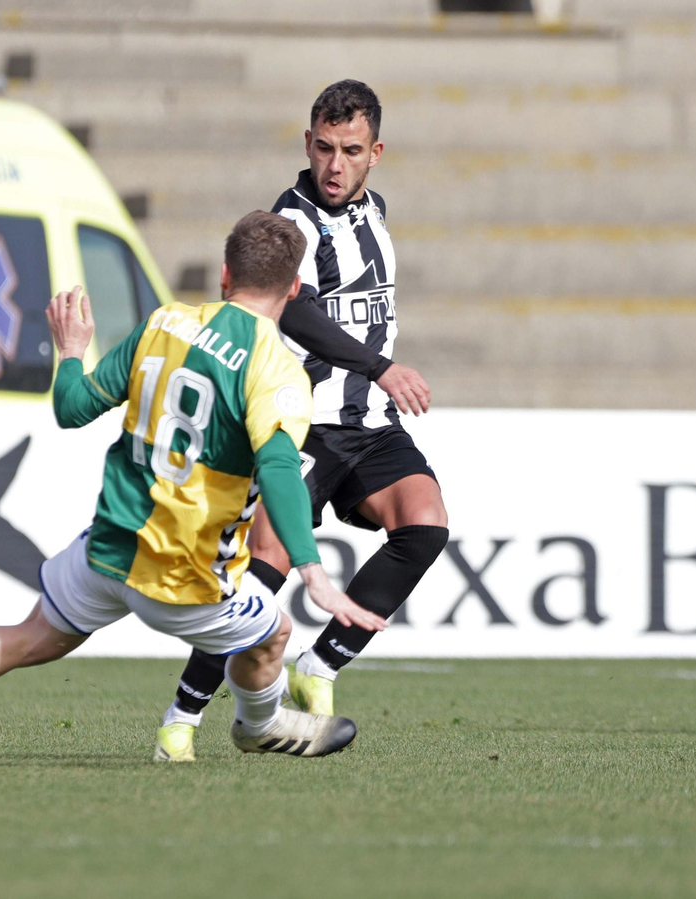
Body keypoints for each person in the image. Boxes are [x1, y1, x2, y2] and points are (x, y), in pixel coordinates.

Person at [0, 212, 387, 758]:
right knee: (274, 632)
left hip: (108, 549)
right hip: (184, 578)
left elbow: (73, 408)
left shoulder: (165, 322)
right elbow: (282, 470)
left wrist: (72, 352)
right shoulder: (276, 368)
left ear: (226, 273)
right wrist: (314, 576)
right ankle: (259, 728)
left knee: (24, 637)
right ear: (293, 291)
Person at [153, 80, 449, 762]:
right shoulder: (291, 224)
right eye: (323, 148)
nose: (334, 166)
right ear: (307, 144)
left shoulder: (376, 212)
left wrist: (373, 382)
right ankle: (182, 715)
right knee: (266, 568)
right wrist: (379, 366)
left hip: (369, 423)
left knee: (426, 524)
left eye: (350, 151)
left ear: (376, 152)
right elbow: (301, 312)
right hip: (300, 422)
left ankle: (321, 664)